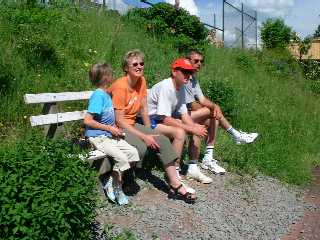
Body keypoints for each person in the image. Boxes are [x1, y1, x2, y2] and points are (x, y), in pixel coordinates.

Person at [108, 49, 196, 204]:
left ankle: (174, 183)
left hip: (131, 123)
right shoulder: (120, 86)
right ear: (126, 68)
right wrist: (144, 136)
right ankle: (122, 179)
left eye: (141, 63)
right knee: (140, 146)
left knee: (161, 139)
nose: (139, 66)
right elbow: (120, 121)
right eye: (134, 64)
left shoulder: (141, 81)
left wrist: (150, 130)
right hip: (115, 125)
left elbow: (143, 109)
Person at [185, 50, 259, 174]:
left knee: (214, 118)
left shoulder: (193, 79)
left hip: (190, 114)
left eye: (201, 61)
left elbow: (202, 99)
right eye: (196, 61)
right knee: (211, 112)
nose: (199, 64)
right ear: (188, 61)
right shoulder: (185, 78)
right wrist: (213, 108)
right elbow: (192, 105)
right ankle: (236, 135)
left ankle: (207, 158)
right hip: (179, 115)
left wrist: (215, 106)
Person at [147, 58, 213, 184]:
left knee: (195, 126)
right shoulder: (166, 86)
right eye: (184, 72)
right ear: (174, 72)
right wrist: (191, 128)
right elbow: (164, 118)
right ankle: (173, 171)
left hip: (159, 120)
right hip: (147, 121)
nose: (188, 75)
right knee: (180, 132)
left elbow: (184, 114)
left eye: (190, 72)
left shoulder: (180, 87)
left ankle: (192, 166)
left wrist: (195, 127)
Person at [84, 63, 140, 206]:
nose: (113, 76)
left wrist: (115, 129)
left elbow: (107, 118)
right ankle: (117, 188)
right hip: (98, 136)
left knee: (133, 153)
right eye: (110, 74)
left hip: (110, 135)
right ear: (105, 77)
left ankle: (110, 181)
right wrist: (109, 129)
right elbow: (88, 120)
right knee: (122, 159)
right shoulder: (98, 95)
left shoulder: (107, 95)